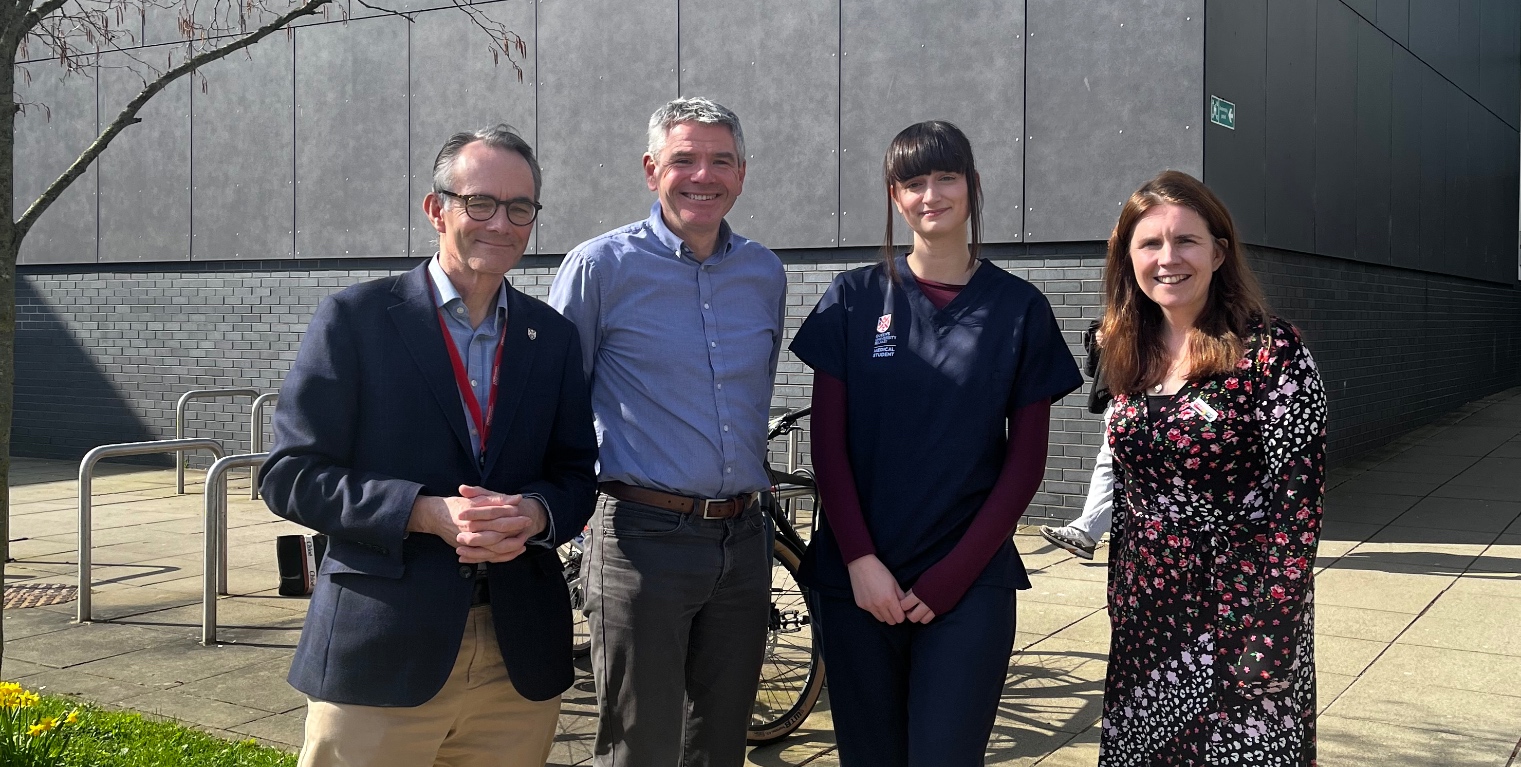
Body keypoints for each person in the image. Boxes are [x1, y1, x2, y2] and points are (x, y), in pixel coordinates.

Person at [260, 125, 599, 767]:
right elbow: (291, 474)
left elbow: (576, 473)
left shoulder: (551, 336)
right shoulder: (356, 319)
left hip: (517, 656)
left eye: (519, 208)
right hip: (382, 648)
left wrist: (534, 514)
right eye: (480, 202)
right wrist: (424, 512)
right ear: (436, 209)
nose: (500, 223)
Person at [788, 121, 1082, 766]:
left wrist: (954, 575)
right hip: (859, 583)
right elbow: (827, 447)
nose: (931, 195)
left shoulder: (1019, 308)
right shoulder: (853, 298)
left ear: (972, 185)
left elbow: (1025, 464)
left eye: (946, 177)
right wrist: (860, 560)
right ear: (895, 196)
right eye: (913, 182)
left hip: (969, 582)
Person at [547, 97, 786, 767]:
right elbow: (554, 401)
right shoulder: (599, 267)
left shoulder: (764, 273)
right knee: (641, 747)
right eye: (684, 160)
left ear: (742, 173)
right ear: (652, 170)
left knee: (720, 743)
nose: (702, 176)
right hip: (641, 540)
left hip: (743, 538)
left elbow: (756, 389)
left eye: (721, 161)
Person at [1096, 170, 1326, 765]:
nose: (1167, 258)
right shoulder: (1127, 349)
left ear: (1219, 253)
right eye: (1150, 243)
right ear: (1128, 257)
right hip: (1148, 615)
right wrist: (1119, 591)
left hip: (1242, 613)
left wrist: (1273, 629)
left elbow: (1297, 505)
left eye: (1186, 241)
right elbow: (1130, 487)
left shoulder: (1272, 352)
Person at [1043, 322, 1114, 559]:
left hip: (1153, 400)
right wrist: (1101, 335)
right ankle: (1085, 532)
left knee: (1116, 468)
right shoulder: (1123, 311)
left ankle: (1086, 532)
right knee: (1110, 466)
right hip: (1127, 398)